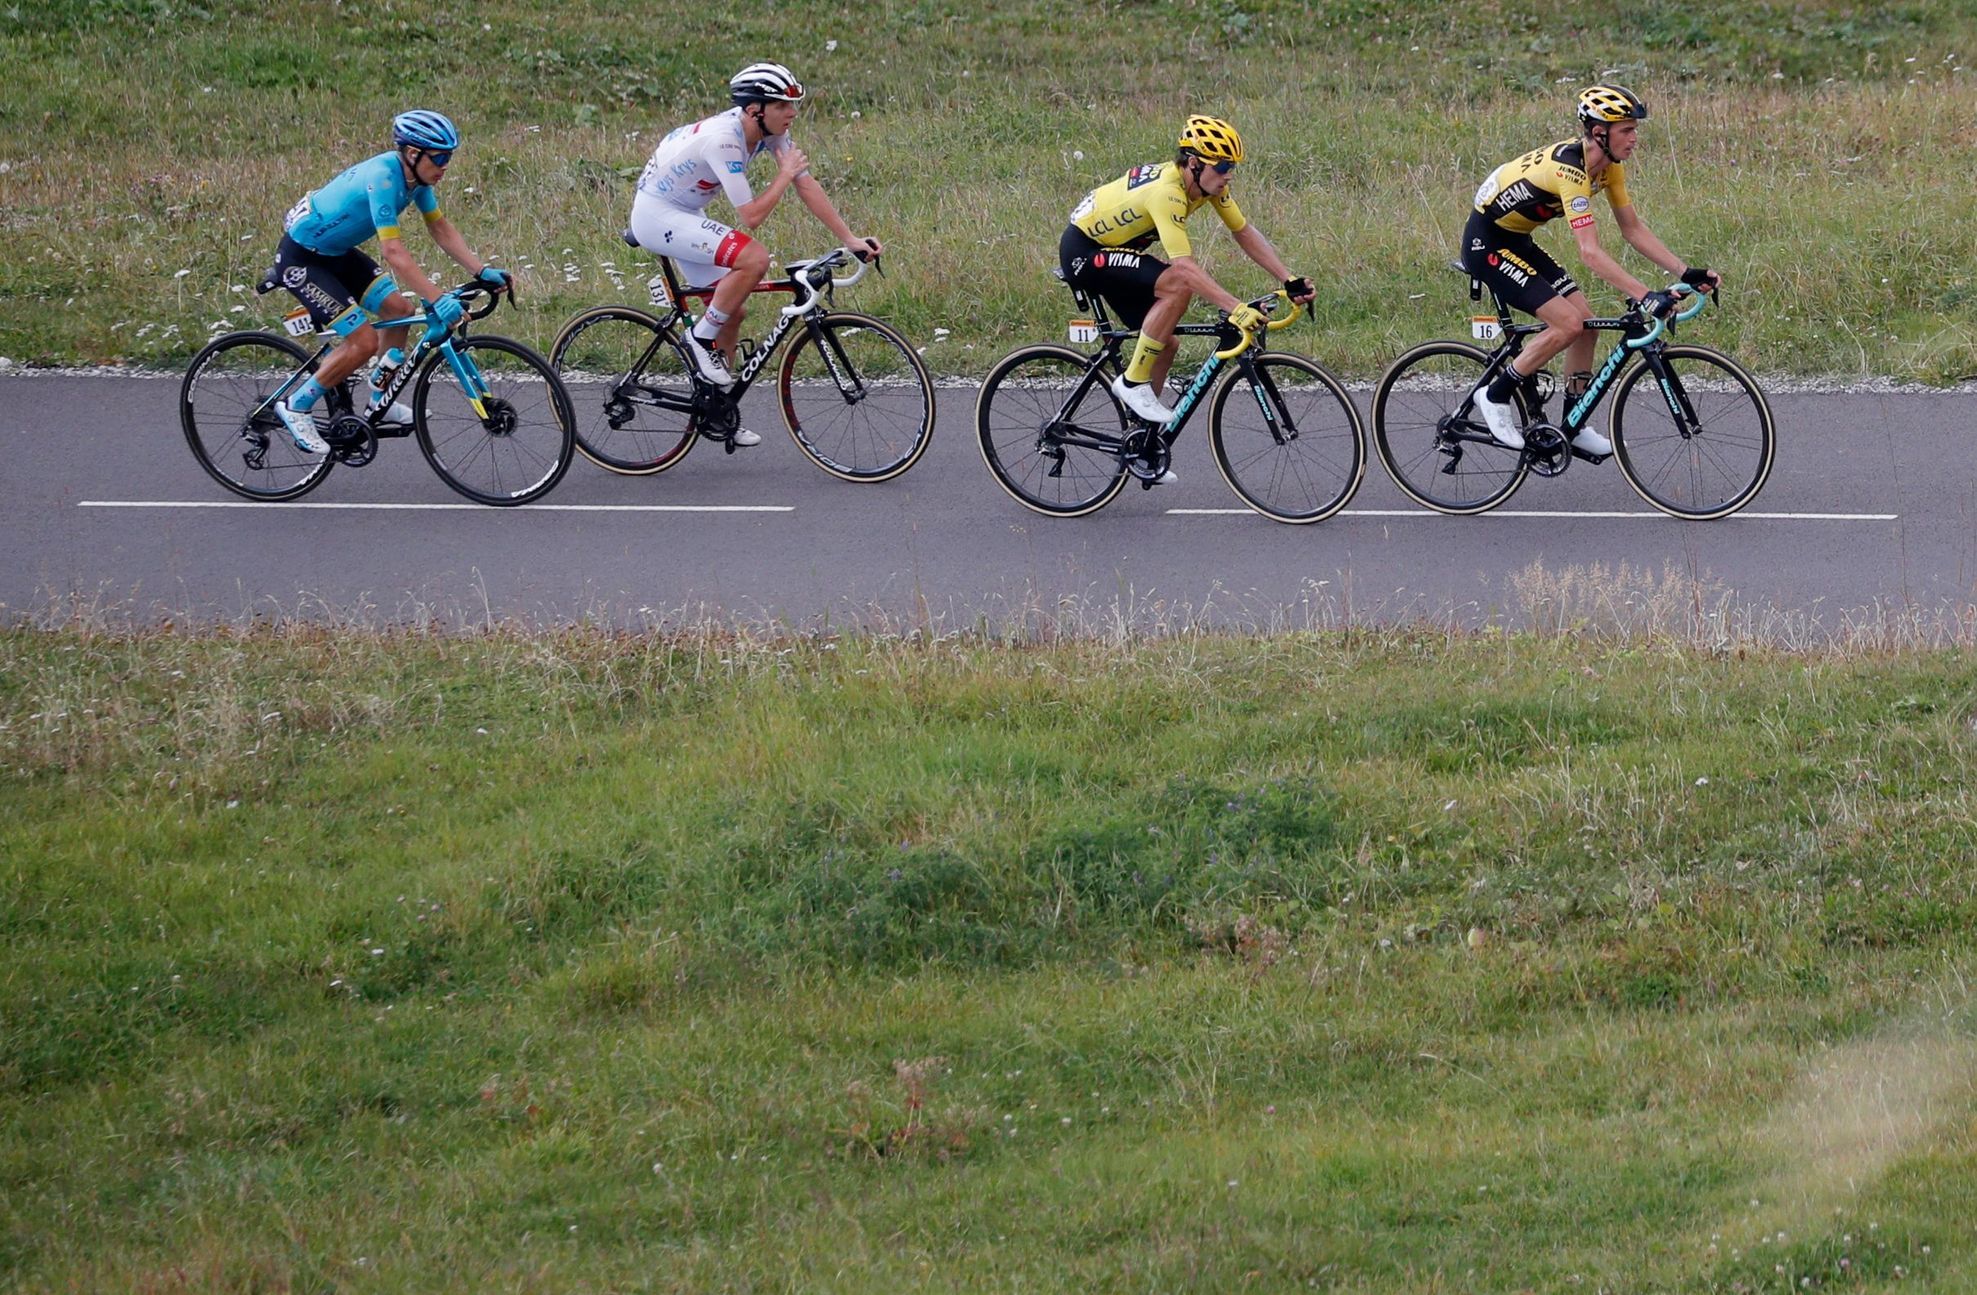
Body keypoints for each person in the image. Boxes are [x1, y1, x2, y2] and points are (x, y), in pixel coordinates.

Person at [630, 61, 880, 447]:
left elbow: (806, 185)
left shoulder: (769, 130)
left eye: (792, 104)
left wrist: (850, 239)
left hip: (684, 212)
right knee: (754, 258)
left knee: (733, 309)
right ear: (754, 110)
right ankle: (700, 339)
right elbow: (752, 217)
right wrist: (782, 174)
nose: (792, 113)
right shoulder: (724, 140)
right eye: (783, 105)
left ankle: (719, 409)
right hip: (656, 215)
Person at [1463, 84, 1721, 455]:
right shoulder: (1570, 170)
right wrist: (1646, 296)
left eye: (1635, 129)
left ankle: (1574, 420)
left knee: (1585, 324)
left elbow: (1632, 229)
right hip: (1486, 245)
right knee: (1567, 323)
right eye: (1626, 130)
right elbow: (1590, 253)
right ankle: (1495, 393)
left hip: (1518, 241)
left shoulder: (1609, 167)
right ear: (1600, 132)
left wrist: (1685, 271)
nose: (1634, 138)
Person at [1060, 115, 1315, 484]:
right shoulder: (1168, 193)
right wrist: (1236, 307)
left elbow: (1242, 231)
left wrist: (1288, 278)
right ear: (1194, 163)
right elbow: (1185, 270)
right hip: (1085, 250)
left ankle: (1144, 446)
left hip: (1116, 249)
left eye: (1233, 167)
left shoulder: (1206, 186)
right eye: (1223, 166)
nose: (1229, 175)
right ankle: (1132, 384)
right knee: (1177, 285)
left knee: (1165, 343)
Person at [272, 110, 510, 454]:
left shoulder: (418, 182)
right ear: (413, 154)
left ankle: (378, 398)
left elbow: (439, 228)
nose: (445, 166)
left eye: (449, 157)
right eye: (439, 157)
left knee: (399, 310)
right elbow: (393, 251)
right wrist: (437, 296)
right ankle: (297, 404)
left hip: (335, 254)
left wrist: (481, 271)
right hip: (303, 260)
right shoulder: (384, 177)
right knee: (364, 342)